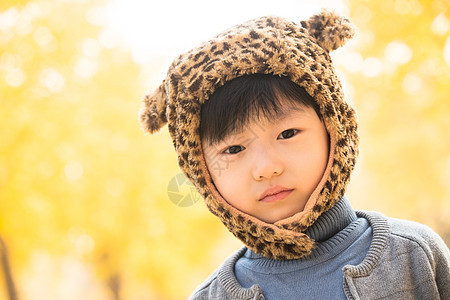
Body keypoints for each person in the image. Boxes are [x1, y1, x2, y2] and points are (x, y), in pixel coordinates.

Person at [139, 10, 450, 299]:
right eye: (233, 149)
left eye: (287, 134)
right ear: (202, 173)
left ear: (334, 128)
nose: (266, 168)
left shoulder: (413, 256)